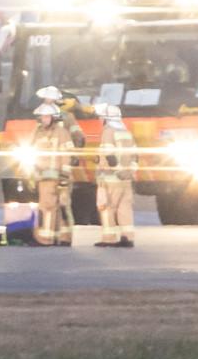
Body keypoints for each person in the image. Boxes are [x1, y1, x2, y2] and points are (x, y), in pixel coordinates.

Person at [36, 85, 89, 238]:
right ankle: (53, 235)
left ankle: (64, 236)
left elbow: (79, 137)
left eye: (48, 98)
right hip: (45, 172)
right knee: (50, 204)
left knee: (62, 203)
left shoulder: (66, 117)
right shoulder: (42, 120)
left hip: (61, 169)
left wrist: (73, 156)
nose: (46, 101)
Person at [29, 101, 76, 247]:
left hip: (56, 177)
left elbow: (67, 156)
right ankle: (62, 237)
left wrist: (64, 176)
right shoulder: (37, 133)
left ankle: (46, 239)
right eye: (42, 117)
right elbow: (32, 153)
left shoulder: (61, 133)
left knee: (48, 207)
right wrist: (31, 174)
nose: (44, 119)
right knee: (57, 207)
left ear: (54, 118)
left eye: (47, 117)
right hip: (43, 177)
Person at [94, 102, 138, 248]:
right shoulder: (127, 132)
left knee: (107, 208)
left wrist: (115, 171)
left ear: (106, 118)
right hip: (126, 179)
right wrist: (129, 172)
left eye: (101, 117)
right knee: (125, 208)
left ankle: (109, 238)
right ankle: (128, 237)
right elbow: (135, 156)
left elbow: (109, 156)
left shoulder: (108, 131)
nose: (100, 120)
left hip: (111, 178)